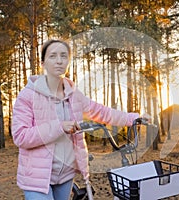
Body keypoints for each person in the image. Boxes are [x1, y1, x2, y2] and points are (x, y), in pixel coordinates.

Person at [11, 39, 144, 200]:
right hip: (37, 178)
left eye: (64, 56)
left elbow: (100, 112)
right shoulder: (28, 96)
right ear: (43, 62)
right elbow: (21, 136)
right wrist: (60, 127)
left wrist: (133, 118)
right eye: (53, 56)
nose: (59, 61)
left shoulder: (73, 94)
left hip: (66, 174)